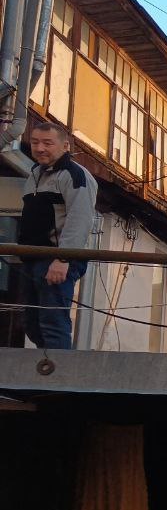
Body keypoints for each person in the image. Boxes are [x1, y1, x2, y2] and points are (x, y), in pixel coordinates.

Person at [16, 120, 98, 349]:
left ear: (65, 146)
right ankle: (50, 367)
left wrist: (63, 259)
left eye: (47, 143)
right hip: (32, 257)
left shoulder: (75, 175)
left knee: (53, 322)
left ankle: (59, 378)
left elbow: (79, 219)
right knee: (31, 322)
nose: (39, 148)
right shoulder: (35, 173)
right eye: (34, 142)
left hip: (57, 258)